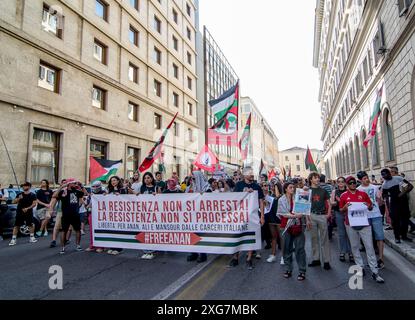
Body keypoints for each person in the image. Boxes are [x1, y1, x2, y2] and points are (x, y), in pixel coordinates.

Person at [339, 176, 385, 283]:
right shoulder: (343, 196)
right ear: (347, 185)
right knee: (355, 247)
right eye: (350, 183)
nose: (353, 184)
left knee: (370, 247)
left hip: (365, 224)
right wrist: (345, 207)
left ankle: (375, 271)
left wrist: (368, 205)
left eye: (354, 182)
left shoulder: (363, 194)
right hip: (350, 224)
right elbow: (341, 210)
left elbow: (370, 206)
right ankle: (360, 267)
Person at [228, 167, 265, 270]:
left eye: (252, 173)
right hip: (240, 216)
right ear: (244, 175)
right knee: (238, 236)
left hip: (252, 216)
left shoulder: (257, 186)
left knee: (251, 237)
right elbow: (234, 200)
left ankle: (249, 258)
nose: (252, 175)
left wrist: (262, 216)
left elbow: (261, 201)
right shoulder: (239, 185)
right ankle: (235, 257)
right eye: (249, 173)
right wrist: (245, 192)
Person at [278, 182, 311, 280]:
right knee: (287, 249)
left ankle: (302, 271)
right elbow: (282, 214)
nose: (292, 189)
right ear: (285, 189)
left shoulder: (299, 196)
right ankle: (288, 269)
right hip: (286, 227)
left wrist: (305, 190)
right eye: (290, 187)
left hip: (298, 226)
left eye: (293, 187)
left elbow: (305, 208)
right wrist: (295, 216)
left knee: (300, 249)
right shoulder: (281, 200)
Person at [49, 179, 86, 254]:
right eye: (74, 183)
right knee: (64, 230)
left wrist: (81, 186)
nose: (75, 184)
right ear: (69, 184)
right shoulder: (63, 192)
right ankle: (63, 248)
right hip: (66, 215)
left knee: (77, 230)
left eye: (76, 183)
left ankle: (78, 245)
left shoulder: (77, 191)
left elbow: (85, 194)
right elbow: (54, 195)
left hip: (75, 214)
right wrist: (61, 187)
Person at [357, 171, 385, 269]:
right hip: (365, 216)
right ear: (360, 180)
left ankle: (381, 259)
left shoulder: (375, 187)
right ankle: (371, 260)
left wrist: (380, 198)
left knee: (380, 237)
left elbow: (380, 203)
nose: (366, 180)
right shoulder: (358, 190)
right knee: (367, 239)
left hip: (376, 215)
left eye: (367, 177)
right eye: (364, 178)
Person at [381, 168, 414, 243]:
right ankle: (397, 237)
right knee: (395, 222)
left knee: (405, 220)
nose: (386, 177)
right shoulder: (385, 185)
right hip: (394, 204)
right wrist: (389, 208)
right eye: (384, 176)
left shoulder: (398, 179)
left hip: (403, 202)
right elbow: (385, 196)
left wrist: (401, 194)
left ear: (389, 173)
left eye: (387, 175)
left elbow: (410, 186)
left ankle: (404, 236)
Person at [308, 172, 332, 270]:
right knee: (314, 239)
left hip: (322, 216)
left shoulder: (323, 191)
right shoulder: (307, 191)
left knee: (324, 239)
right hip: (311, 215)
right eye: (315, 178)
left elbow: (329, 203)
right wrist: (307, 219)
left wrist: (329, 214)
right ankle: (316, 259)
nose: (317, 179)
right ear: (311, 180)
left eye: (318, 178)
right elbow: (304, 206)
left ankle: (326, 261)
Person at [330, 177, 353, 263]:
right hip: (338, 213)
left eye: (342, 181)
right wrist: (339, 202)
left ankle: (351, 253)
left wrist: (341, 201)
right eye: (338, 182)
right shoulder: (334, 191)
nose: (340, 183)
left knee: (350, 233)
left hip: (348, 213)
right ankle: (342, 252)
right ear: (337, 183)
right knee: (341, 233)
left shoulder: (348, 191)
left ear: (345, 183)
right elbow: (331, 203)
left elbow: (351, 202)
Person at [106, 176, 128, 255]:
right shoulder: (109, 190)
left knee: (119, 231)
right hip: (112, 213)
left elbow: (126, 200)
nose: (113, 182)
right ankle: (112, 246)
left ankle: (119, 248)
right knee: (112, 230)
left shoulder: (122, 189)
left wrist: (120, 195)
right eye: (112, 181)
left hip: (120, 213)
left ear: (118, 181)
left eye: (114, 180)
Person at [262, 181, 281, 263]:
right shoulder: (268, 195)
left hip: (279, 219)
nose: (272, 187)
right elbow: (267, 207)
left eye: (274, 186)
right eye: (272, 186)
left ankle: (284, 256)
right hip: (271, 218)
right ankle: (273, 255)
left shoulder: (281, 196)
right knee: (273, 237)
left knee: (281, 237)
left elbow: (277, 197)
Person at [140, 172, 158, 260]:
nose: (146, 179)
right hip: (144, 213)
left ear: (152, 178)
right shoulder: (142, 188)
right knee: (145, 232)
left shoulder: (156, 187)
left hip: (153, 214)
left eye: (148, 178)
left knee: (152, 232)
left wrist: (157, 196)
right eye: (145, 178)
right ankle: (145, 250)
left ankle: (152, 251)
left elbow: (162, 199)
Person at [85, 181, 106, 253]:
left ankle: (101, 246)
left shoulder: (104, 193)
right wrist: (89, 204)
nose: (95, 188)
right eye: (93, 186)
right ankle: (92, 245)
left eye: (97, 186)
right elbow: (87, 206)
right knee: (92, 231)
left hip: (101, 215)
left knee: (101, 230)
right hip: (92, 214)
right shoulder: (90, 195)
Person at [49, 179, 67, 248]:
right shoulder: (59, 191)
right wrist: (51, 211)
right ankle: (53, 240)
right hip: (60, 211)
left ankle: (65, 239)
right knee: (56, 226)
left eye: (66, 183)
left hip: (68, 211)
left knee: (66, 227)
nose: (65, 184)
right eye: (63, 183)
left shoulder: (70, 190)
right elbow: (54, 198)